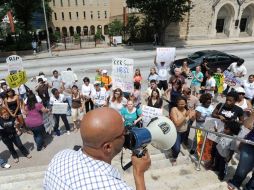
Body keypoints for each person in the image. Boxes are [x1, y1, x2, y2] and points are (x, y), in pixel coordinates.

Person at [44, 108, 151, 190]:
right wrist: (139, 173)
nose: (128, 133)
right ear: (108, 147)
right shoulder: (114, 187)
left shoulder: (61, 155)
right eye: (124, 132)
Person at [170, 96, 193, 165]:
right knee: (177, 149)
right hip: (176, 132)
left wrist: (193, 114)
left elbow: (191, 120)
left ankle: (173, 148)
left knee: (177, 145)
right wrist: (185, 116)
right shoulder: (174, 109)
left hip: (184, 132)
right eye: (180, 104)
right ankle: (174, 158)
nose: (182, 106)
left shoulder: (187, 111)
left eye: (183, 104)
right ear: (177, 103)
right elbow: (177, 123)